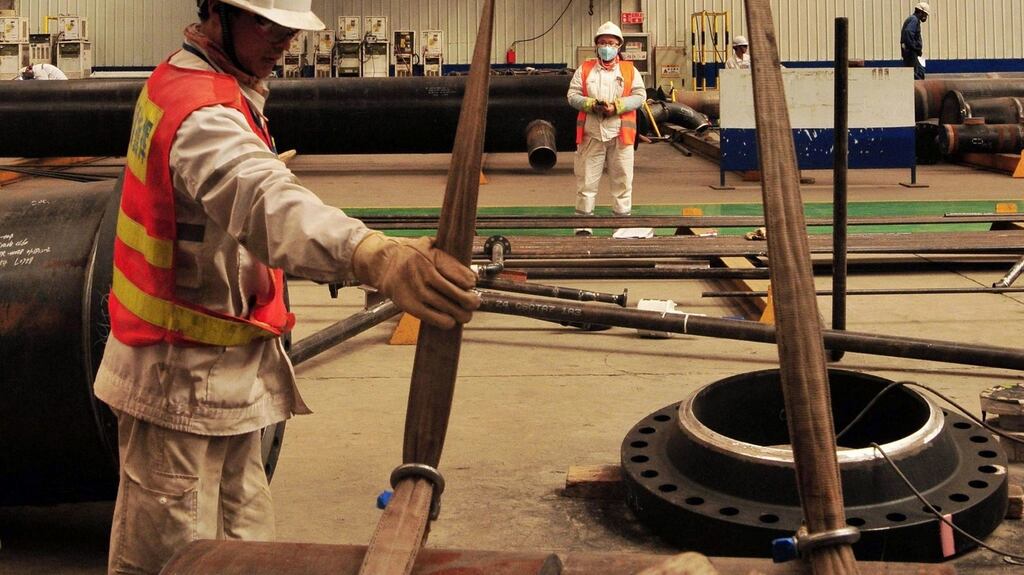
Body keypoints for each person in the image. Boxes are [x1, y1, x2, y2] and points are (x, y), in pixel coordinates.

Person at [92, 1, 480, 573]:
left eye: (290, 29)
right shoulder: (202, 115)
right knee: (177, 561)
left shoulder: (202, 80)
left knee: (249, 552)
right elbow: (264, 202)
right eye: (264, 24)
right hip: (176, 382)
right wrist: (371, 255)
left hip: (228, 373)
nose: (282, 42)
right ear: (215, 13)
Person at [567, 21, 646, 236]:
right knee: (586, 182)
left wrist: (617, 107)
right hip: (591, 135)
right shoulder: (584, 70)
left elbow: (640, 96)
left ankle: (622, 226)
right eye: (603, 43)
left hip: (621, 135)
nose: (607, 47)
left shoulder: (630, 70)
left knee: (622, 182)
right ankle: (583, 227)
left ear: (619, 46)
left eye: (611, 43)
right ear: (596, 46)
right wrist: (592, 105)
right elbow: (572, 96)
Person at [901, 2, 930, 80]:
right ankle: (917, 91)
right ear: (920, 12)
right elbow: (908, 32)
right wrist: (914, 48)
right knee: (916, 74)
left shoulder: (912, 19)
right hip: (910, 52)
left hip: (911, 52)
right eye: (925, 14)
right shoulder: (914, 20)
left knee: (919, 71)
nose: (925, 17)